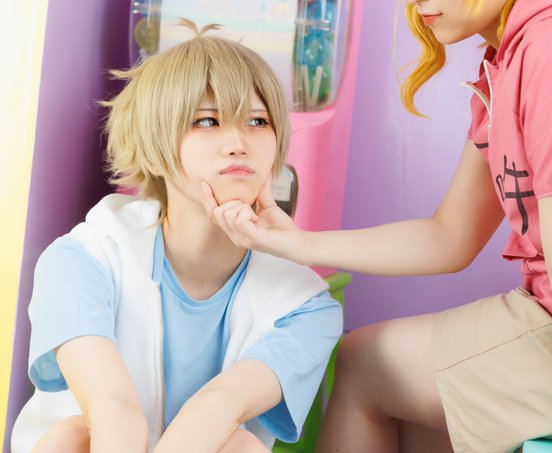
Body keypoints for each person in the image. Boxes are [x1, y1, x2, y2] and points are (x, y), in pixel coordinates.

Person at [200, 0, 552, 452]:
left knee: (366, 367)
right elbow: (449, 236)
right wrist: (297, 243)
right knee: (408, 398)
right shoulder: (515, 57)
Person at [11, 20, 343, 453]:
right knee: (72, 435)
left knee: (241, 446)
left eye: (257, 121)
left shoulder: (306, 308)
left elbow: (216, 408)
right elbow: (114, 411)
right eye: (207, 121)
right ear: (153, 149)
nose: (238, 142)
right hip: (103, 443)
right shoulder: (82, 259)